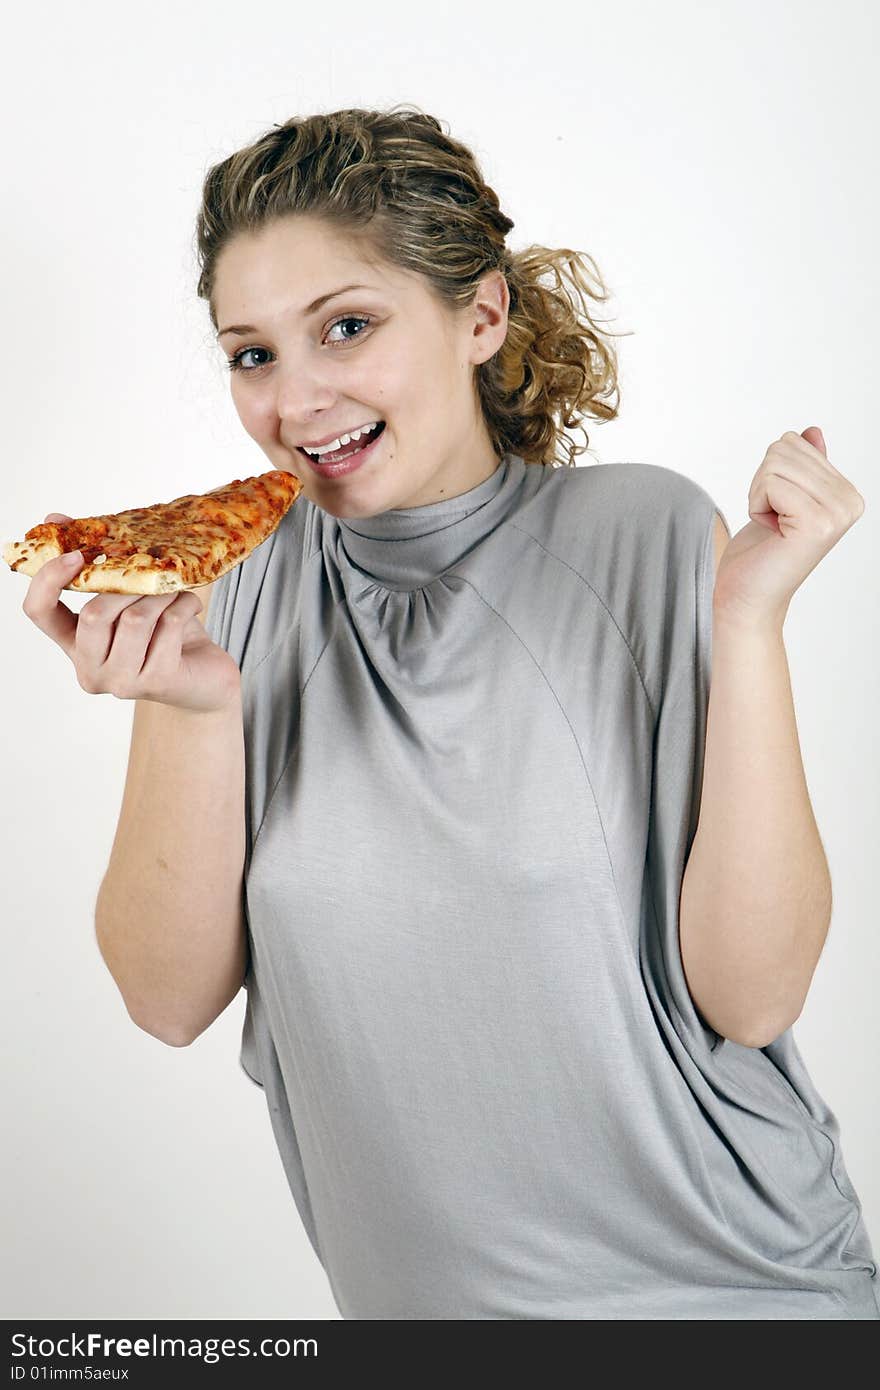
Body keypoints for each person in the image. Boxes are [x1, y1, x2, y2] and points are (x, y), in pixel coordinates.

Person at [26, 105, 878, 1320]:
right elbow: (165, 1000)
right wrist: (196, 710)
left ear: (478, 317)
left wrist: (746, 629)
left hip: (732, 1298)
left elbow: (755, 998)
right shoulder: (231, 588)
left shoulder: (640, 537)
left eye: (348, 328)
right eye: (252, 352)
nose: (295, 399)